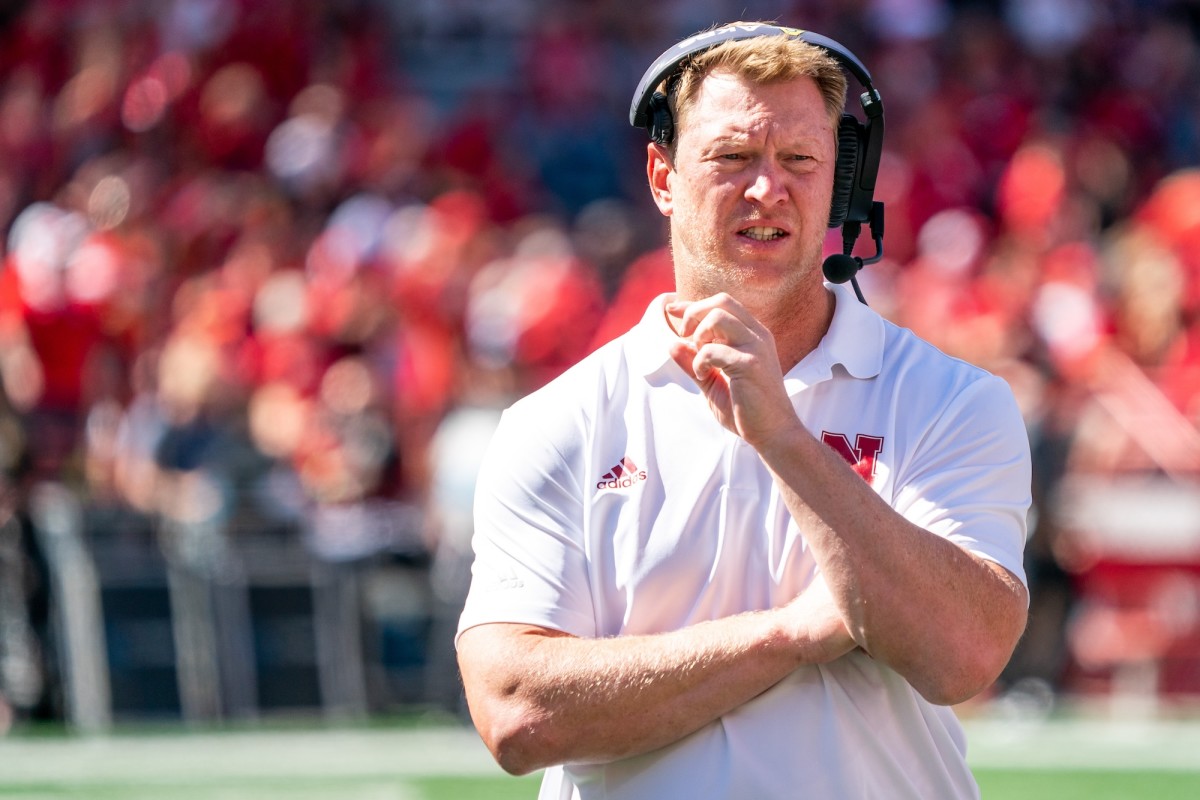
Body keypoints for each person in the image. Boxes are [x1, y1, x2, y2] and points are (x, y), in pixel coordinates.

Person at [456, 22, 1031, 799]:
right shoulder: (558, 419)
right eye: (732, 157)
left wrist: (783, 437)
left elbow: (962, 654)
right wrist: (789, 636)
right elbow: (517, 712)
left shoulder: (953, 400)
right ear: (662, 176)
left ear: (842, 183)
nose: (768, 188)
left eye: (800, 160)